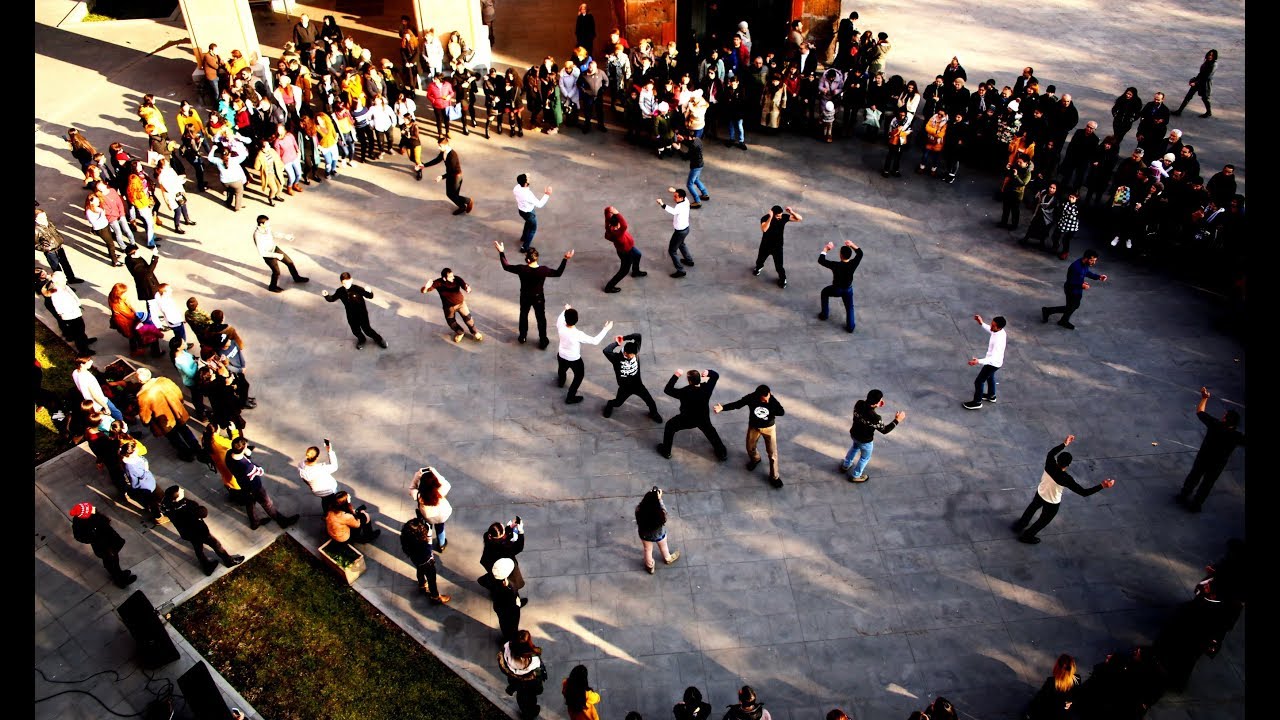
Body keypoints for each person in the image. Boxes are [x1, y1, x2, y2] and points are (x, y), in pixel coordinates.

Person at [1011, 435, 1116, 544]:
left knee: (1032, 508)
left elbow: (1051, 452)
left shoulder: (1050, 463)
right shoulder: (1066, 478)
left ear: (1057, 459)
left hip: (1041, 493)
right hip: (1052, 503)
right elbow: (1084, 492)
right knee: (1043, 520)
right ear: (1068, 465)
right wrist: (1102, 485)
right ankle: (1027, 536)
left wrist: (1064, 444)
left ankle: (1020, 525)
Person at [1177, 386, 1245, 512]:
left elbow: (1200, 412)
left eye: (1224, 415)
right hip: (1217, 465)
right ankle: (1196, 504)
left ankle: (1184, 494)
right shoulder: (1237, 436)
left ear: (1224, 419)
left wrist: (1204, 398)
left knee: (1194, 476)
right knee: (1207, 484)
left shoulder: (1215, 425)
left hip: (1203, 458)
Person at [496, 241, 571, 348]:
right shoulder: (543, 270)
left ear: (528, 260)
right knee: (541, 318)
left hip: (525, 297)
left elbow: (506, 266)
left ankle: (522, 336)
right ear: (536, 258)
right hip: (538, 298)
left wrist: (501, 252)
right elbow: (558, 273)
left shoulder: (522, 269)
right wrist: (565, 259)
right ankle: (543, 340)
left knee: (523, 315)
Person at [162, 486, 245, 575]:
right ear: (177, 498)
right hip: (199, 531)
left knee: (198, 548)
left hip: (186, 533)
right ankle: (229, 561)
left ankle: (206, 566)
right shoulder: (187, 507)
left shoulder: (166, 505)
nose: (182, 490)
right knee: (216, 544)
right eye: (180, 491)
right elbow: (202, 513)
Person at [714, 384, 786, 487]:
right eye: (763, 400)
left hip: (769, 428)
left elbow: (782, 412)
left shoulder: (772, 400)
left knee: (772, 453)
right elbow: (737, 404)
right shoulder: (751, 397)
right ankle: (756, 459)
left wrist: (770, 406)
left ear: (769, 393)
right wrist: (723, 408)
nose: (766, 401)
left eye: (767, 398)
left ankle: (774, 477)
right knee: (750, 447)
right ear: (758, 396)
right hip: (754, 427)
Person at [225, 436, 300, 530]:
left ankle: (254, 522)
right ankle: (282, 521)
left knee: (250, 502)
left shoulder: (228, 454)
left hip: (242, 484)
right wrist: (248, 455)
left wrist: (246, 454)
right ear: (243, 449)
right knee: (267, 504)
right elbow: (260, 471)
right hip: (254, 487)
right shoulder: (247, 467)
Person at [134, 367, 205, 462]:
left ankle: (187, 454)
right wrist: (180, 404)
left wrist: (147, 423)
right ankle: (197, 449)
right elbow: (178, 393)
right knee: (185, 430)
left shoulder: (142, 396)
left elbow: (145, 417)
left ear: (139, 380)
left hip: (163, 422)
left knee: (174, 438)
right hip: (177, 413)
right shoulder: (164, 381)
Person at [656, 368, 726, 461]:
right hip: (703, 418)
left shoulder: (684, 391)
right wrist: (708, 372)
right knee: (711, 432)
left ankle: (666, 451)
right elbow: (715, 376)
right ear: (700, 378)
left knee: (669, 426)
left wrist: (676, 375)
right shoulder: (706, 388)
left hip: (687, 419)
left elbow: (667, 390)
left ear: (689, 381)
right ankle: (722, 454)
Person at [841, 389, 906, 482]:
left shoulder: (859, 404)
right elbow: (884, 430)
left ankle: (846, 465)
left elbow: (866, 411)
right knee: (865, 458)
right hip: (865, 441)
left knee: (854, 448)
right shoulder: (875, 418)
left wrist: (875, 405)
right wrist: (897, 420)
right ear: (876, 402)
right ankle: (856, 475)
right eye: (880, 399)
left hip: (854, 434)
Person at [555, 305, 613, 405]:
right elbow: (595, 341)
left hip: (561, 354)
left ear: (565, 318)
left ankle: (561, 382)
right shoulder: (578, 334)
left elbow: (562, 316)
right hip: (574, 359)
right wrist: (606, 329)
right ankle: (570, 397)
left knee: (562, 369)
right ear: (576, 320)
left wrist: (566, 309)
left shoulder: (560, 324)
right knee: (578, 376)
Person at [69, 502, 136, 588]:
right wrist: (93, 537)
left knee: (115, 558)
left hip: (109, 539)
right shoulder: (79, 523)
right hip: (102, 545)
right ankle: (119, 580)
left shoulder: (92, 512)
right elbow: (79, 537)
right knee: (110, 561)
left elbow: (101, 519)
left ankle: (120, 573)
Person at [601, 333, 662, 421]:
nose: (634, 356)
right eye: (632, 355)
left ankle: (654, 413)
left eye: (635, 354)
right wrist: (616, 343)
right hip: (625, 388)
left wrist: (624, 338)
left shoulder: (635, 349)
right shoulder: (616, 358)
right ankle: (609, 405)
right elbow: (606, 351)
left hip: (638, 385)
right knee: (617, 403)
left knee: (650, 401)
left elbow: (638, 336)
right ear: (625, 353)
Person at [1041, 249, 1107, 330]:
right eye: (1092, 260)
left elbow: (1086, 272)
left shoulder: (1085, 264)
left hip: (1077, 290)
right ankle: (1050, 312)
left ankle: (1058, 317)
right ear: (1086, 258)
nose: (1094, 263)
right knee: (1071, 307)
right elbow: (1071, 282)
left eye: (1095, 260)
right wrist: (1082, 285)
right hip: (1071, 291)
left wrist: (1099, 277)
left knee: (1073, 306)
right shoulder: (1076, 267)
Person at [320, 272, 387, 349]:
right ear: (341, 283)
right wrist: (326, 295)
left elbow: (369, 296)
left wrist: (369, 291)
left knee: (367, 330)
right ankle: (362, 339)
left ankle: (379, 339)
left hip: (362, 314)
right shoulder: (340, 291)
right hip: (351, 315)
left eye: (348, 282)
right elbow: (332, 299)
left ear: (351, 280)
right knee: (355, 330)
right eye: (344, 283)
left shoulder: (357, 289)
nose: (346, 285)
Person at [421, 267, 484, 343]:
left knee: (468, 319)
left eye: (452, 275)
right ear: (444, 278)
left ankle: (474, 332)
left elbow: (464, 285)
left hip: (461, 304)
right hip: (448, 307)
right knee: (451, 323)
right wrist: (426, 287)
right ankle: (460, 332)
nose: (453, 277)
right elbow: (423, 291)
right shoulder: (438, 283)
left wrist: (467, 289)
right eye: (450, 277)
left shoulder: (457, 279)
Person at [400, 516, 451, 603]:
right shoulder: (423, 545)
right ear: (420, 534)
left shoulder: (407, 541)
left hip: (416, 560)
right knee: (432, 579)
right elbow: (428, 550)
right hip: (427, 563)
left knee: (420, 570)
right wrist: (429, 536)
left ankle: (422, 584)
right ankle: (435, 596)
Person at [252, 215, 310, 292]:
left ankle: (296, 278)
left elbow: (274, 233)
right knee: (276, 272)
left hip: (275, 249)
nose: (269, 224)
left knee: (290, 262)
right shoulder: (257, 235)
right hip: (268, 255)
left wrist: (286, 236)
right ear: (261, 224)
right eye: (267, 223)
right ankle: (272, 287)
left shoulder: (267, 228)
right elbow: (262, 252)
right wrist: (276, 255)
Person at [44, 273, 97, 355]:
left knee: (81, 329)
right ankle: (83, 350)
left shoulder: (64, 286)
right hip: (70, 316)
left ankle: (85, 340)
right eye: (64, 278)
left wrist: (78, 304)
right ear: (58, 280)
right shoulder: (55, 292)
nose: (66, 279)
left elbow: (72, 295)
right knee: (78, 334)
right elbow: (57, 306)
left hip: (75, 312)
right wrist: (64, 314)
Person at [962, 314, 1007, 410]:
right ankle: (991, 396)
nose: (991, 326)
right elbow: (991, 330)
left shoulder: (999, 341)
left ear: (999, 328)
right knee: (990, 377)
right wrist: (981, 323)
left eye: (993, 325)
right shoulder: (999, 331)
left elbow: (993, 358)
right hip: (995, 362)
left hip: (992, 363)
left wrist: (978, 361)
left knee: (979, 381)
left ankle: (977, 402)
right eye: (991, 324)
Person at [817, 240, 863, 333]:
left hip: (836, 289)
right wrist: (852, 245)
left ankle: (824, 315)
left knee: (824, 292)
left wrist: (826, 249)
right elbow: (860, 253)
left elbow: (821, 260)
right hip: (848, 289)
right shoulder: (853, 264)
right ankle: (850, 327)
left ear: (840, 255)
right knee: (850, 307)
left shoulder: (836, 265)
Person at [498, 630, 545, 719]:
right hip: (530, 687)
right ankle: (530, 714)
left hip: (518, 685)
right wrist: (539, 687)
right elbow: (538, 676)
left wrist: (512, 687)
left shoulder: (507, 652)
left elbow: (510, 676)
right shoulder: (534, 661)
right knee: (530, 700)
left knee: (521, 699)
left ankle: (525, 711)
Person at [634, 486, 680, 574]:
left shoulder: (639, 510)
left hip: (644, 534)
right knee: (663, 546)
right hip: (659, 534)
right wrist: (659, 499)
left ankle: (650, 566)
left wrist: (652, 495)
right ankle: (667, 558)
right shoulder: (660, 512)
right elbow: (665, 513)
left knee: (647, 549)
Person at [754, 205, 802, 288]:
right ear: (772, 213)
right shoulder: (765, 218)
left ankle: (783, 280)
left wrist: (791, 212)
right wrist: (770, 218)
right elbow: (764, 229)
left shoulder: (783, 217)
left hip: (778, 247)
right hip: (765, 245)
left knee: (779, 266)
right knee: (760, 260)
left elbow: (799, 219)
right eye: (778, 216)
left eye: (781, 215)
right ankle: (759, 268)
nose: (780, 217)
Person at [423, 136, 474, 215]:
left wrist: (442, 177)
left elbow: (452, 171)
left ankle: (468, 201)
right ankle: (462, 206)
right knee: (449, 194)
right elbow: (437, 160)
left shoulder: (452, 155)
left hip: (456, 176)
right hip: (450, 175)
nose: (438, 148)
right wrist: (424, 165)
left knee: (454, 195)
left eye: (440, 146)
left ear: (446, 145)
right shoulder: (443, 152)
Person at [602, 206, 646, 293]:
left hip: (629, 248)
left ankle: (635, 271)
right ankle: (609, 288)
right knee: (623, 271)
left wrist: (609, 209)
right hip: (626, 252)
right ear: (618, 224)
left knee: (638, 254)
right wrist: (617, 213)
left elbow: (606, 213)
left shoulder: (609, 225)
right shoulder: (617, 233)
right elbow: (625, 225)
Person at [1025, 653, 1081, 720]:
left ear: (1057, 667)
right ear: (1073, 667)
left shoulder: (1051, 682)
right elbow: (1078, 697)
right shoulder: (1077, 679)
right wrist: (1071, 703)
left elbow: (1039, 699)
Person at [34, 209, 83, 283]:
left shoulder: (49, 223)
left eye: (44, 215)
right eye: (41, 217)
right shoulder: (36, 230)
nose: (45, 218)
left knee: (66, 264)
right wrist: (45, 248)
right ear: (36, 218)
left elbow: (56, 233)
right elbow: (35, 245)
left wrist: (60, 241)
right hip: (50, 252)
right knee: (57, 269)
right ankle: (62, 283)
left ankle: (71, 279)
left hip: (59, 247)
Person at [410, 466, 452, 550]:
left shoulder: (418, 495)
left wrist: (417, 476)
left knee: (427, 530)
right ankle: (441, 545)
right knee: (440, 528)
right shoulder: (441, 491)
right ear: (436, 482)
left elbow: (412, 488)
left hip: (428, 517)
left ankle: (428, 545)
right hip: (442, 515)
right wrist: (434, 471)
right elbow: (445, 482)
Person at [486, 556, 526, 643]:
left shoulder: (495, 579)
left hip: (505, 606)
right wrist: (517, 605)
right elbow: (509, 607)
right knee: (510, 627)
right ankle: (509, 638)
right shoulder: (504, 591)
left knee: (507, 624)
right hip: (508, 612)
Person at [656, 187, 694, 278]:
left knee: (672, 251)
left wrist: (662, 203)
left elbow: (673, 211)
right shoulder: (686, 201)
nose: (674, 198)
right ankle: (689, 260)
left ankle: (680, 270)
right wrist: (675, 191)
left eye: (676, 196)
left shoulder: (679, 207)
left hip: (680, 232)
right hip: (686, 229)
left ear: (681, 198)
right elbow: (683, 195)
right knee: (681, 244)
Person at [513, 174, 553, 253]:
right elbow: (539, 204)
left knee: (527, 223)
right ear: (525, 183)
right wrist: (547, 195)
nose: (529, 178)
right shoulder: (528, 194)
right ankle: (524, 247)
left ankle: (523, 238)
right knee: (532, 230)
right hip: (529, 214)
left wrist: (525, 176)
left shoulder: (516, 188)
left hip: (521, 211)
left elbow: (522, 179)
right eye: (527, 178)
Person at [297, 439, 340, 512]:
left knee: (325, 501)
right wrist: (330, 451)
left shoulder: (301, 465)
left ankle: (326, 512)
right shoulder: (321, 468)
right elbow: (334, 466)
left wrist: (310, 485)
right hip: (329, 491)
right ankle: (333, 514)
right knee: (334, 503)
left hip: (317, 491)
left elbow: (304, 478)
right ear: (317, 457)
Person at [1172, 49, 1217, 118]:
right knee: (1188, 96)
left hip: (1205, 84)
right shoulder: (1206, 62)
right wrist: (1194, 79)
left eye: (1212, 55)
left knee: (1205, 98)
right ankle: (1179, 111)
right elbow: (1201, 73)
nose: (1209, 56)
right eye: (1209, 54)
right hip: (1198, 81)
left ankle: (1208, 112)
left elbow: (1207, 77)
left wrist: (1196, 82)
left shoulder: (1213, 65)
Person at [208, 140, 250, 211]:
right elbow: (244, 155)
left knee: (230, 191)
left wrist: (213, 149)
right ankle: (237, 207)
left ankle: (228, 203)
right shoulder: (235, 160)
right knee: (239, 193)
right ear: (230, 153)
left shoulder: (218, 161)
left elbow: (210, 158)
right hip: (236, 182)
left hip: (225, 182)